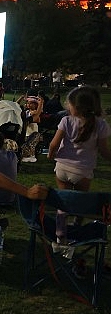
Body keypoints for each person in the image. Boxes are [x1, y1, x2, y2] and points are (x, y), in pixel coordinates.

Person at [47, 86, 111, 244]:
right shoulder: (101, 125)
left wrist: (50, 155)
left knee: (63, 203)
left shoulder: (65, 121)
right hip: (83, 171)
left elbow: (53, 144)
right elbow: (104, 151)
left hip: (62, 168)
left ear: (76, 107)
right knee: (80, 205)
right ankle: (76, 229)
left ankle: (60, 235)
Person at [17, 94, 44, 162]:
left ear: (35, 105)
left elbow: (38, 112)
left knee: (30, 143)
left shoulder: (34, 113)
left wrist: (40, 103)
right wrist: (20, 98)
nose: (29, 105)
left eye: (31, 103)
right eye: (28, 103)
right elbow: (16, 106)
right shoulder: (26, 112)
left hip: (33, 133)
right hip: (26, 133)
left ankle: (30, 156)